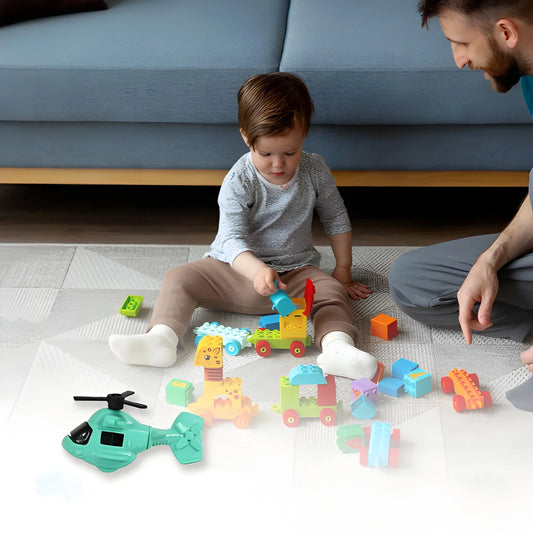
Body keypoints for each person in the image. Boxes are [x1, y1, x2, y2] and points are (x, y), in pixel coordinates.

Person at [109, 72, 378, 381]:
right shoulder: (239, 179)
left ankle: (337, 347)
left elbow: (336, 217)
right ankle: (161, 339)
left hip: (294, 275)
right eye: (266, 154)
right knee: (179, 277)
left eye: (290, 152)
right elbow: (231, 239)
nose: (278, 164)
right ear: (246, 137)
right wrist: (256, 270)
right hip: (233, 272)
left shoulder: (315, 169)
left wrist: (343, 269)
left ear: (304, 135)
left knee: (330, 290)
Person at [389, 0, 533, 411]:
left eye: (461, 43)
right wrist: (490, 260)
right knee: (412, 282)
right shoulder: (528, 77)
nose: (459, 60)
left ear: (505, 32)